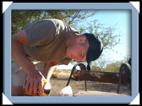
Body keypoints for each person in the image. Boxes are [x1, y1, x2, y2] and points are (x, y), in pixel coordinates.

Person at [12, 18, 103, 96]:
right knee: (15, 88)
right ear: (81, 39)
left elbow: (51, 63)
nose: (77, 59)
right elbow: (13, 40)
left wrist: (44, 84)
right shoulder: (52, 28)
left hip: (34, 60)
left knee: (39, 90)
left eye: (81, 60)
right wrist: (32, 71)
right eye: (81, 54)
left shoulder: (71, 51)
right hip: (14, 52)